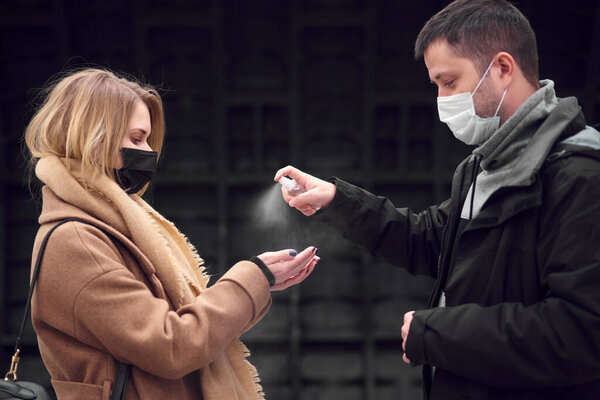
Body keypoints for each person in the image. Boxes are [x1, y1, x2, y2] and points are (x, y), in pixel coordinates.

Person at [274, 0, 600, 399]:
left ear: (501, 68)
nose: (443, 100)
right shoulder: (487, 165)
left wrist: (437, 334)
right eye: (437, 86)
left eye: (449, 82)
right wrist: (336, 200)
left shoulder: (580, 176)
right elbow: (434, 241)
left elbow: (582, 332)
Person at [24, 68, 319, 400]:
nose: (149, 152)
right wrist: (253, 278)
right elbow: (171, 345)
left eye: (148, 140)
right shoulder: (76, 242)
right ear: (92, 137)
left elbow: (183, 333)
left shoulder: (112, 227)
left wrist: (262, 281)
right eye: (136, 139)